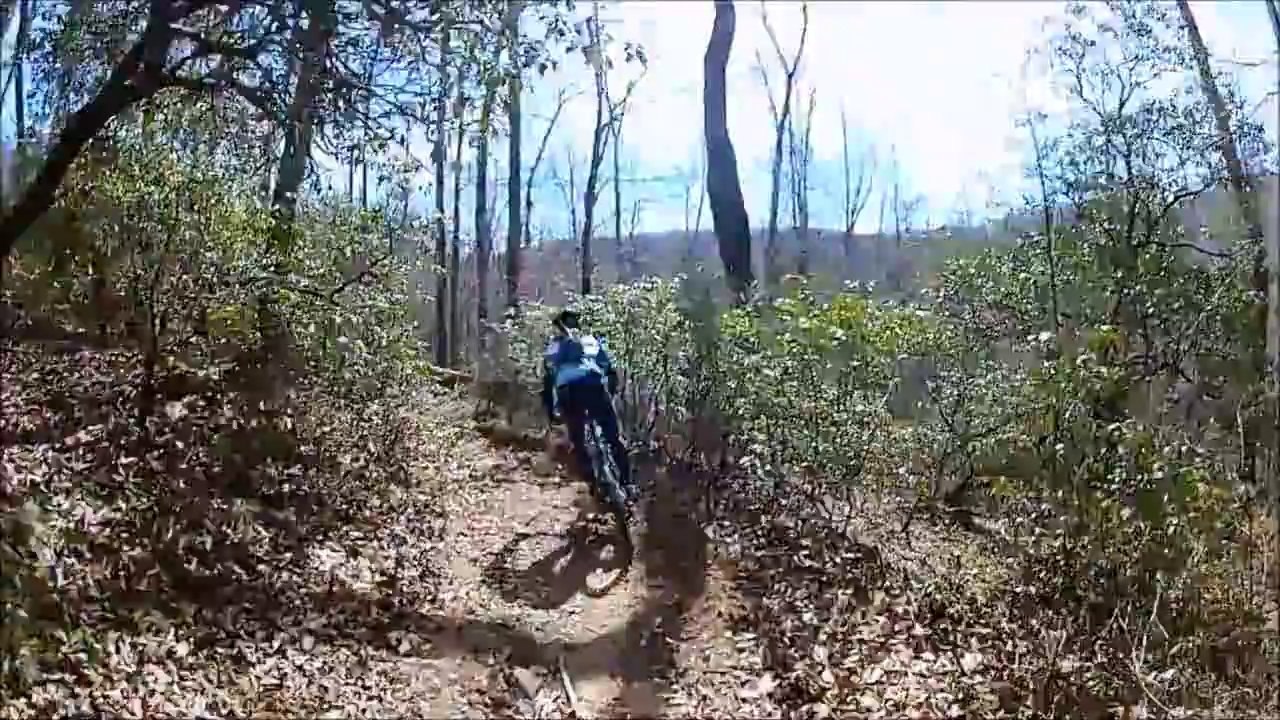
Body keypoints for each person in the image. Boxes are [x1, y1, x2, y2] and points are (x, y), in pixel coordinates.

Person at [541, 307, 635, 505]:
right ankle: (628, 484)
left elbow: (548, 380)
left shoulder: (554, 346)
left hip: (568, 391)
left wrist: (551, 413)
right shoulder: (591, 340)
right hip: (593, 386)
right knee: (613, 438)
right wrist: (610, 396)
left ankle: (592, 485)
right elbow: (610, 371)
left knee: (578, 441)